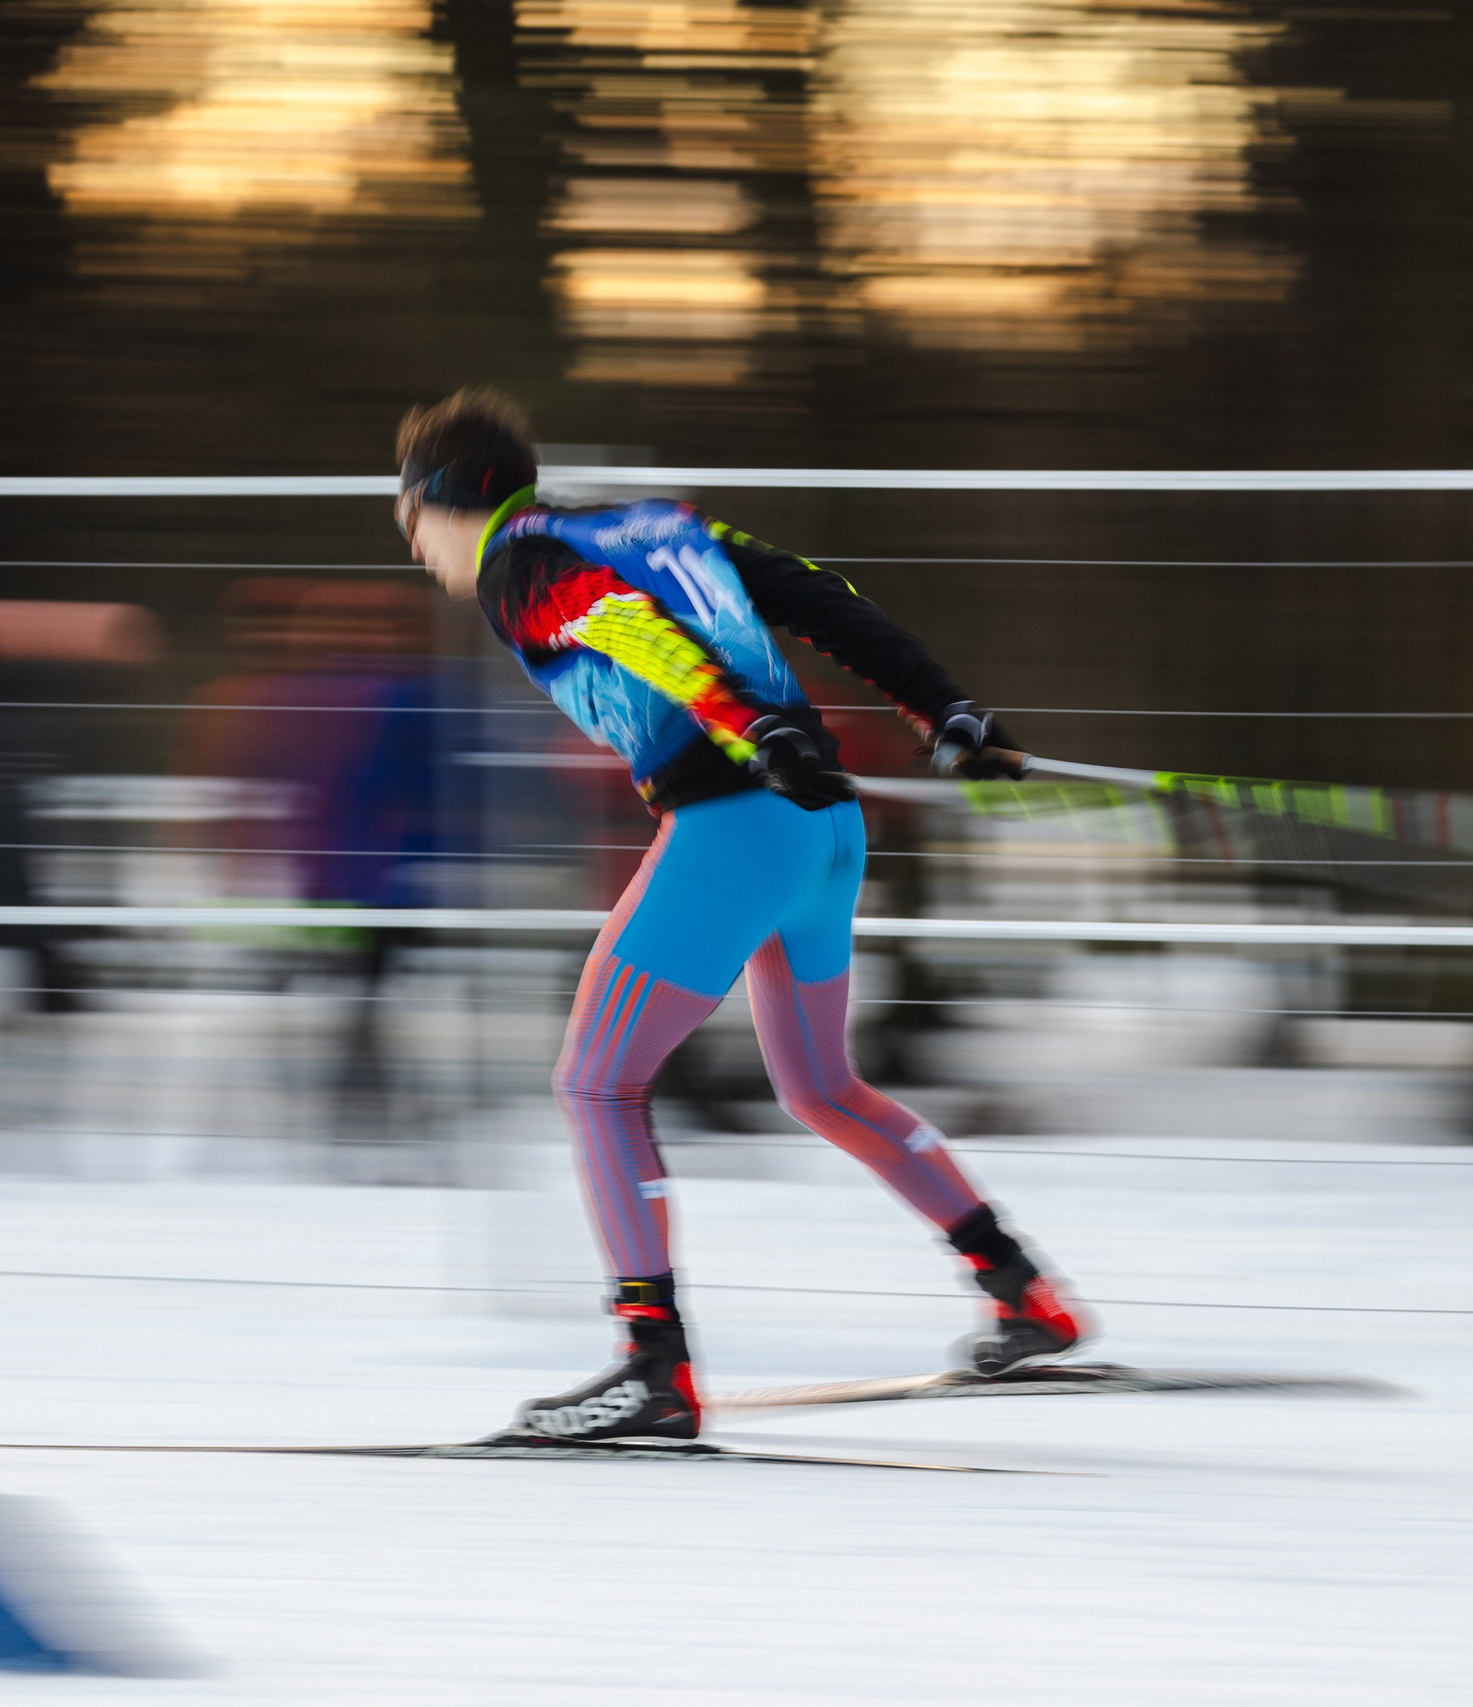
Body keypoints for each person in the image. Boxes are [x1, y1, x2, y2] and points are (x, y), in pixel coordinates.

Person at [395, 387, 1089, 1443]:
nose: (413, 547)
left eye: (408, 518)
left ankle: (651, 1367)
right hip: (823, 828)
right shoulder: (658, 525)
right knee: (821, 1087)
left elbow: (629, 630)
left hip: (736, 830)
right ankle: (1023, 1295)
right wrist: (940, 703)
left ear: (448, 499)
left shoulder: (516, 567)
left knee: (594, 1086)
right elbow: (819, 599)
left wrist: (749, 724)